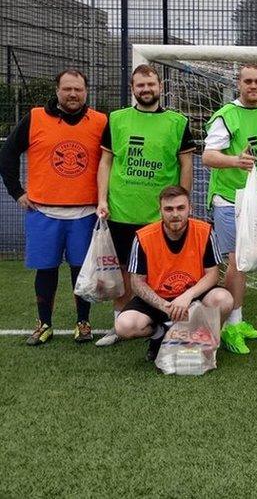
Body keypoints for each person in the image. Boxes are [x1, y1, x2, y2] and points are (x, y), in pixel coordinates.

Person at [0, 69, 106, 345]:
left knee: (80, 270)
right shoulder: (35, 118)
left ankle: (83, 322)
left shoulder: (100, 121)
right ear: (57, 91)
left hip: (85, 212)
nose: (73, 94)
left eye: (78, 90)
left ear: (86, 92)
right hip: (43, 211)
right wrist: (17, 192)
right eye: (67, 89)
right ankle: (44, 323)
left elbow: (110, 162)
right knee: (45, 270)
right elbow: (7, 154)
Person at [94, 64, 195, 347]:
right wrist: (102, 199)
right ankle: (120, 320)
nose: (146, 89)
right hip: (122, 209)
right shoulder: (116, 119)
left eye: (150, 84)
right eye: (140, 85)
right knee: (123, 268)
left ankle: (164, 319)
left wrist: (184, 202)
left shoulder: (177, 121)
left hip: (160, 214)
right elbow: (106, 161)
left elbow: (186, 165)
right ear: (132, 88)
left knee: (161, 268)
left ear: (160, 87)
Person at [201, 63, 257, 354]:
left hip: (254, 199)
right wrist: (236, 161)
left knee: (244, 261)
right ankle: (229, 326)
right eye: (248, 81)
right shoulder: (226, 116)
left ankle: (238, 319)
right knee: (235, 262)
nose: (254, 86)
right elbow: (208, 156)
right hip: (229, 200)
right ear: (239, 84)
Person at [113, 186, 233, 362]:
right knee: (124, 326)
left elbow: (213, 274)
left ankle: (205, 344)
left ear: (190, 208)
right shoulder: (143, 237)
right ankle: (161, 332)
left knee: (224, 299)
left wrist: (186, 297)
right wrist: (166, 307)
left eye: (180, 208)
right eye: (169, 209)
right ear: (160, 210)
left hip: (193, 298)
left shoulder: (205, 232)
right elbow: (137, 282)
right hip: (157, 299)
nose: (175, 214)